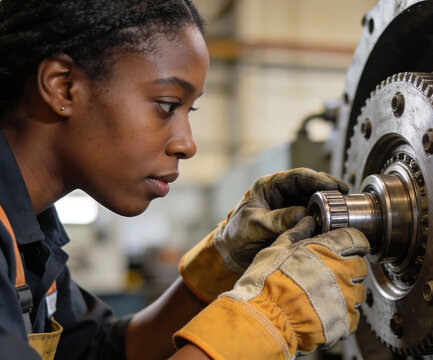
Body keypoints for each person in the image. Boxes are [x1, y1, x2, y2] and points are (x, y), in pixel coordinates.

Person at [0, 1, 369, 359]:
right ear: (63, 86)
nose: (188, 144)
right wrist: (267, 324)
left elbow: (98, 350)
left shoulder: (29, 236)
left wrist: (221, 267)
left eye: (188, 110)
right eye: (166, 104)